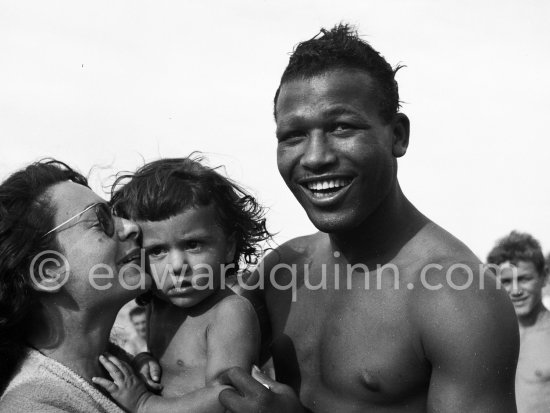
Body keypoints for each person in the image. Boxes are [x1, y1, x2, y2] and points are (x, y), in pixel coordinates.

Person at [217, 24, 520, 412]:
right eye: (292, 135)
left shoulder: (457, 296)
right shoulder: (282, 271)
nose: (314, 157)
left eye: (342, 127)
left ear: (397, 135)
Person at [93, 157, 270, 412]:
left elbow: (227, 396)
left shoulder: (229, 312)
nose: (177, 265)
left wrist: (144, 403)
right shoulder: (160, 304)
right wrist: (143, 361)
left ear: (229, 247)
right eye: (157, 251)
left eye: (193, 245)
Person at [0, 159, 150, 412]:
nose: (132, 227)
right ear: (46, 272)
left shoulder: (131, 369)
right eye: (102, 220)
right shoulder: (34, 405)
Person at [487, 231, 550, 413]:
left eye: (524, 279)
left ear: (544, 277)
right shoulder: (490, 337)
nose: (515, 291)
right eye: (506, 281)